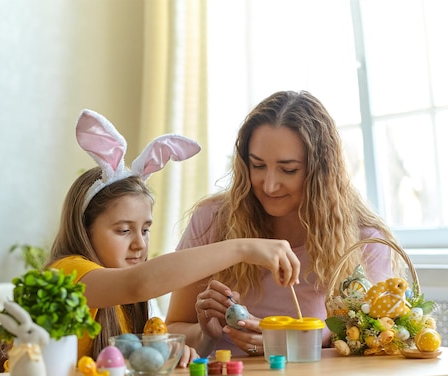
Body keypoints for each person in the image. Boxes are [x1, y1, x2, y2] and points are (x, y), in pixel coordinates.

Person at [45, 109, 301, 367]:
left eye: (145, 230)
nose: (139, 244)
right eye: (124, 230)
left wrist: (201, 338)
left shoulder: (128, 305)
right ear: (84, 228)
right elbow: (139, 282)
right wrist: (244, 248)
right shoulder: (67, 274)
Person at [165, 90, 397, 358]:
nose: (270, 185)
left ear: (320, 171)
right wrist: (207, 331)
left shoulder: (364, 240)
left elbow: (376, 339)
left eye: (288, 170)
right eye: (258, 166)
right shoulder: (212, 220)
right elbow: (172, 330)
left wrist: (300, 342)